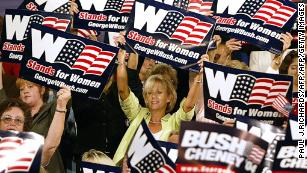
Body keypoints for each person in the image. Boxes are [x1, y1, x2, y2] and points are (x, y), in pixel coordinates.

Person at [113, 47, 204, 165]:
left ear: (169, 97)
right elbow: (122, 90)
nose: (153, 96)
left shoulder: (174, 122)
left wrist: (199, 75)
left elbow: (189, 105)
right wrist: (121, 61)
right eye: (149, 92)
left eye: (159, 92)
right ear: (145, 97)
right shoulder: (137, 113)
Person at [0, 63, 71, 173]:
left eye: (30, 86)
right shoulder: (16, 114)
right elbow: (1, 96)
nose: (25, 91)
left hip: (49, 168)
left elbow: (50, 146)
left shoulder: (53, 108)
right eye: (21, 89)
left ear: (42, 90)